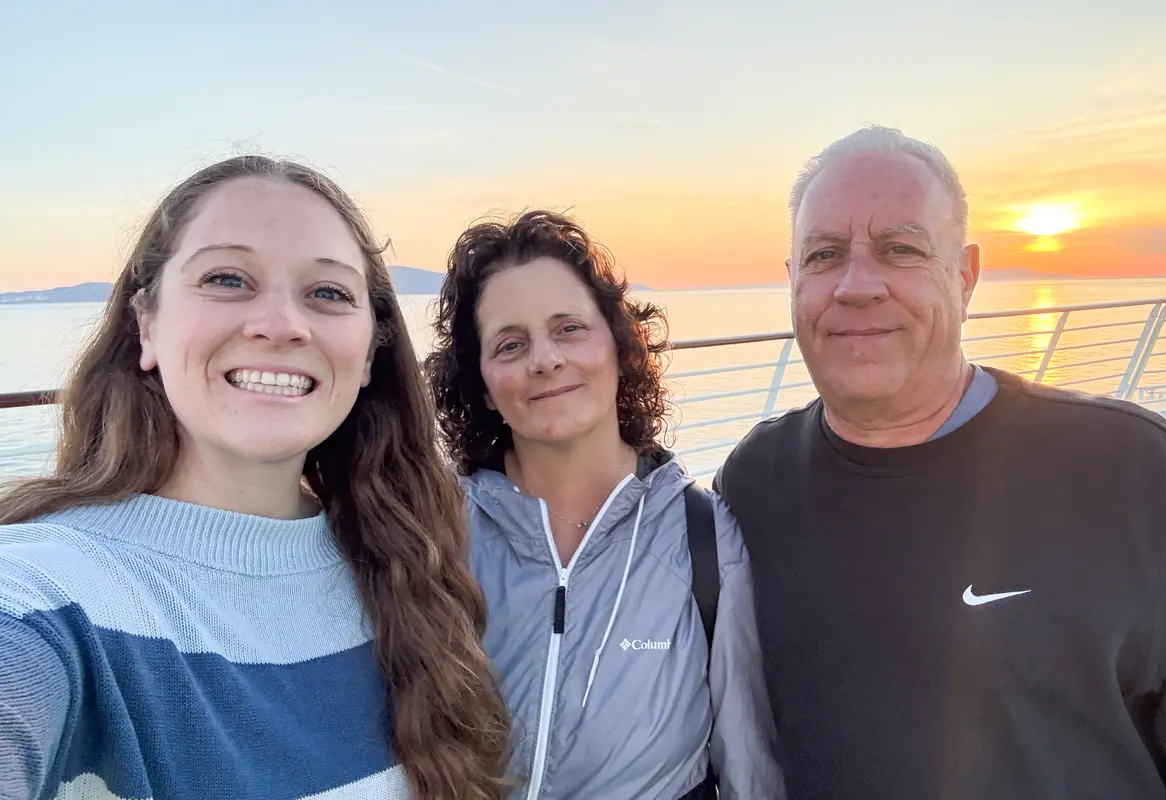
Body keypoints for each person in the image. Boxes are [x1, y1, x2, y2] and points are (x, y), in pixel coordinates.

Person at [0, 155, 510, 800]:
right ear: (146, 324)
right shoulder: (50, 601)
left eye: (327, 292)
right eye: (227, 278)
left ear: (368, 354)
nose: (281, 323)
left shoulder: (406, 565)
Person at [713, 124, 1166, 798]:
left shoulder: (1138, 475)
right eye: (824, 255)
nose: (857, 285)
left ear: (965, 276)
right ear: (794, 281)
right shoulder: (755, 482)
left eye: (900, 249)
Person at [424, 210, 784, 800]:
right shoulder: (434, 534)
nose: (544, 358)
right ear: (484, 384)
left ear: (618, 347)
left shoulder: (706, 542)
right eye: (511, 344)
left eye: (569, 328)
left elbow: (749, 766)